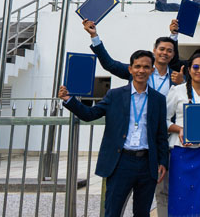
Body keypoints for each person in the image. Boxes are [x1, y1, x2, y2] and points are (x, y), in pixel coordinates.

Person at [83, 19, 180, 217]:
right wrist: (94, 36)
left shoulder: (177, 77)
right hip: (126, 151)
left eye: (170, 50)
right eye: (161, 49)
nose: (165, 53)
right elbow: (109, 64)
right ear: (154, 50)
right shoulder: (138, 72)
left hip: (158, 147)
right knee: (114, 207)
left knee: (151, 203)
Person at [58, 50, 168, 217]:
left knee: (142, 212)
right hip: (121, 162)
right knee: (112, 211)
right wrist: (68, 99)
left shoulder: (158, 99)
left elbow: (161, 134)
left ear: (152, 70)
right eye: (137, 66)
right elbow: (90, 114)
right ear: (130, 69)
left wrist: (163, 162)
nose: (141, 70)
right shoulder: (115, 95)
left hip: (147, 164)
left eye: (146, 67)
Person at [165, 52, 200, 217]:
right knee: (180, 193)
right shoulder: (177, 90)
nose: (199, 71)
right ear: (188, 69)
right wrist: (180, 129)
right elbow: (164, 120)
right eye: (195, 67)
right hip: (181, 150)